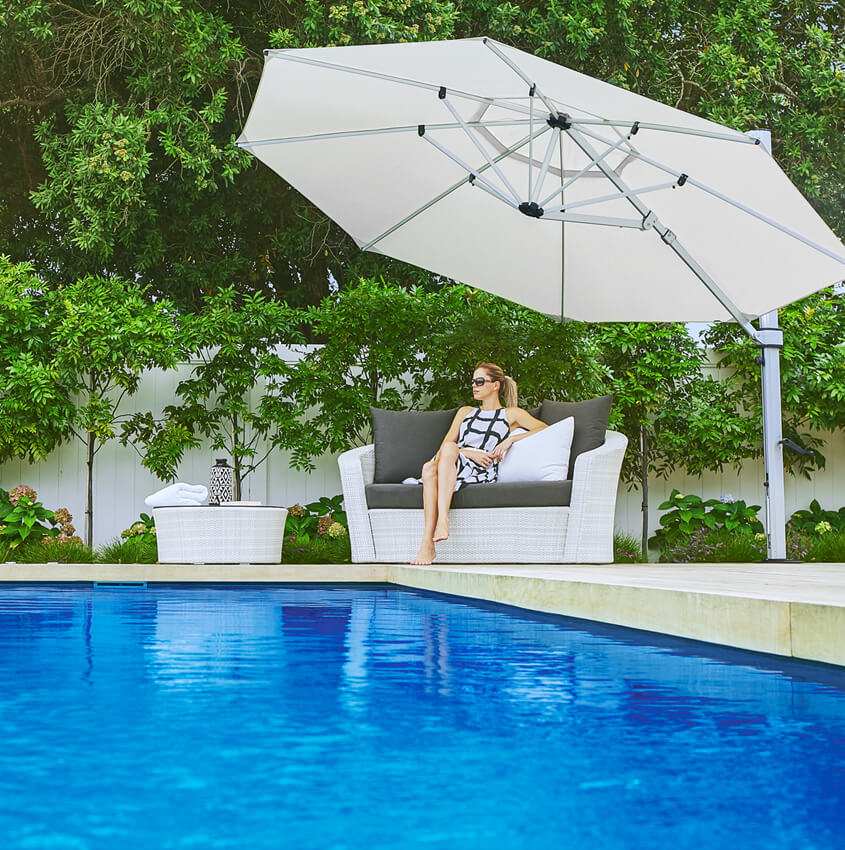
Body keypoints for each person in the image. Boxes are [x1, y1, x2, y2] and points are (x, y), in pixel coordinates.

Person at [410, 362, 547, 565]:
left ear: (496, 385)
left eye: (480, 381)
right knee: (430, 465)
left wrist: (511, 439)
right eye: (473, 381)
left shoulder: (511, 414)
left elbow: (544, 429)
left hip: (480, 469)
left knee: (432, 466)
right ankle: (435, 532)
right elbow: (444, 446)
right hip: (455, 459)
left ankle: (430, 539)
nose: (474, 385)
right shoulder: (465, 412)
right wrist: (469, 453)